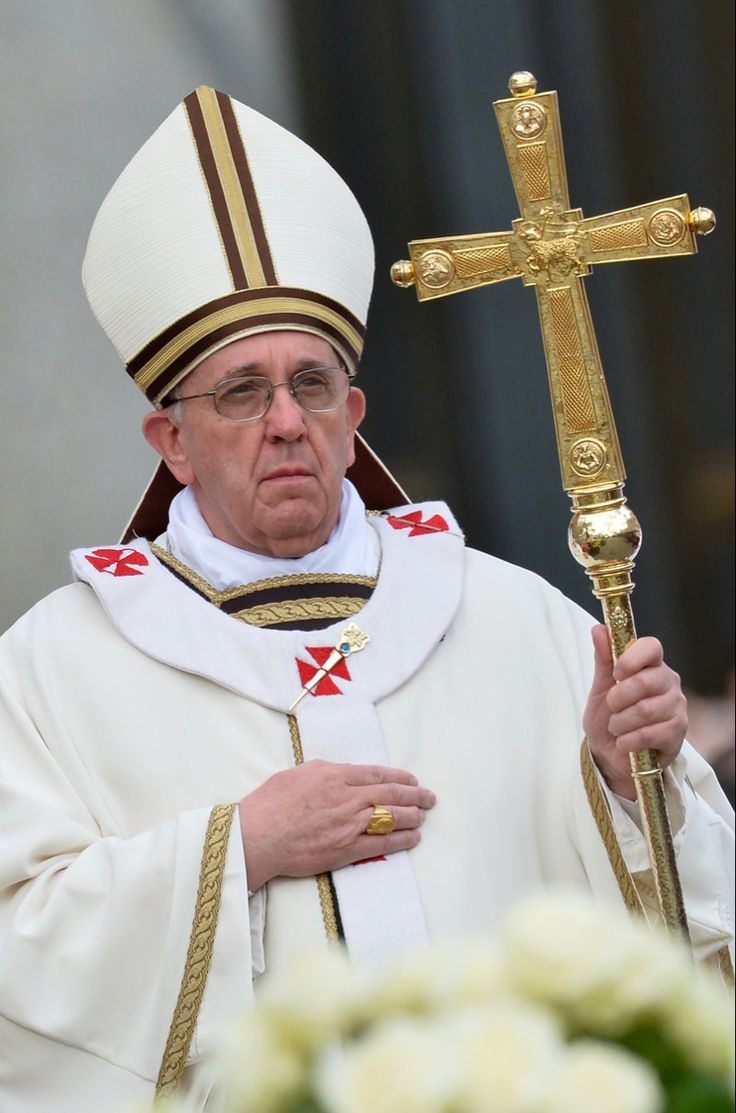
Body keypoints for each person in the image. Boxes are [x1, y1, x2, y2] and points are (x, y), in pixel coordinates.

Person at [0, 87, 732, 1112]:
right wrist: (237, 851)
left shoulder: (516, 618)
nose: (285, 421)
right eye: (241, 392)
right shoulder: (54, 668)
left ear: (352, 416)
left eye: (311, 384)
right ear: (170, 443)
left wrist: (621, 783)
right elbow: (16, 952)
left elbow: (678, 928)